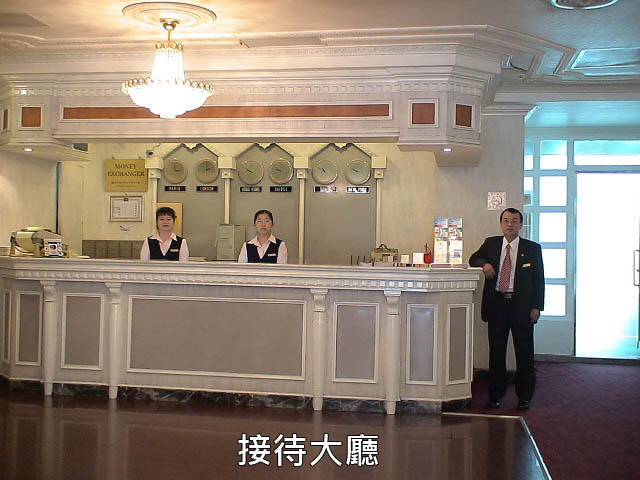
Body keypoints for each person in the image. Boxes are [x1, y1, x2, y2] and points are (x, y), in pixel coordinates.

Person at [469, 207, 544, 410]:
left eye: (514, 221)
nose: (510, 224)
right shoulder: (491, 243)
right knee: (496, 353)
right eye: (506, 220)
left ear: (520, 224)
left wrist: (537, 306)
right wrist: (484, 264)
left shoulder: (532, 248)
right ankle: (495, 395)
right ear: (501, 223)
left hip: (522, 307)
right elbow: (473, 258)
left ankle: (525, 397)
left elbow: (539, 279)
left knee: (524, 354)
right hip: (497, 306)